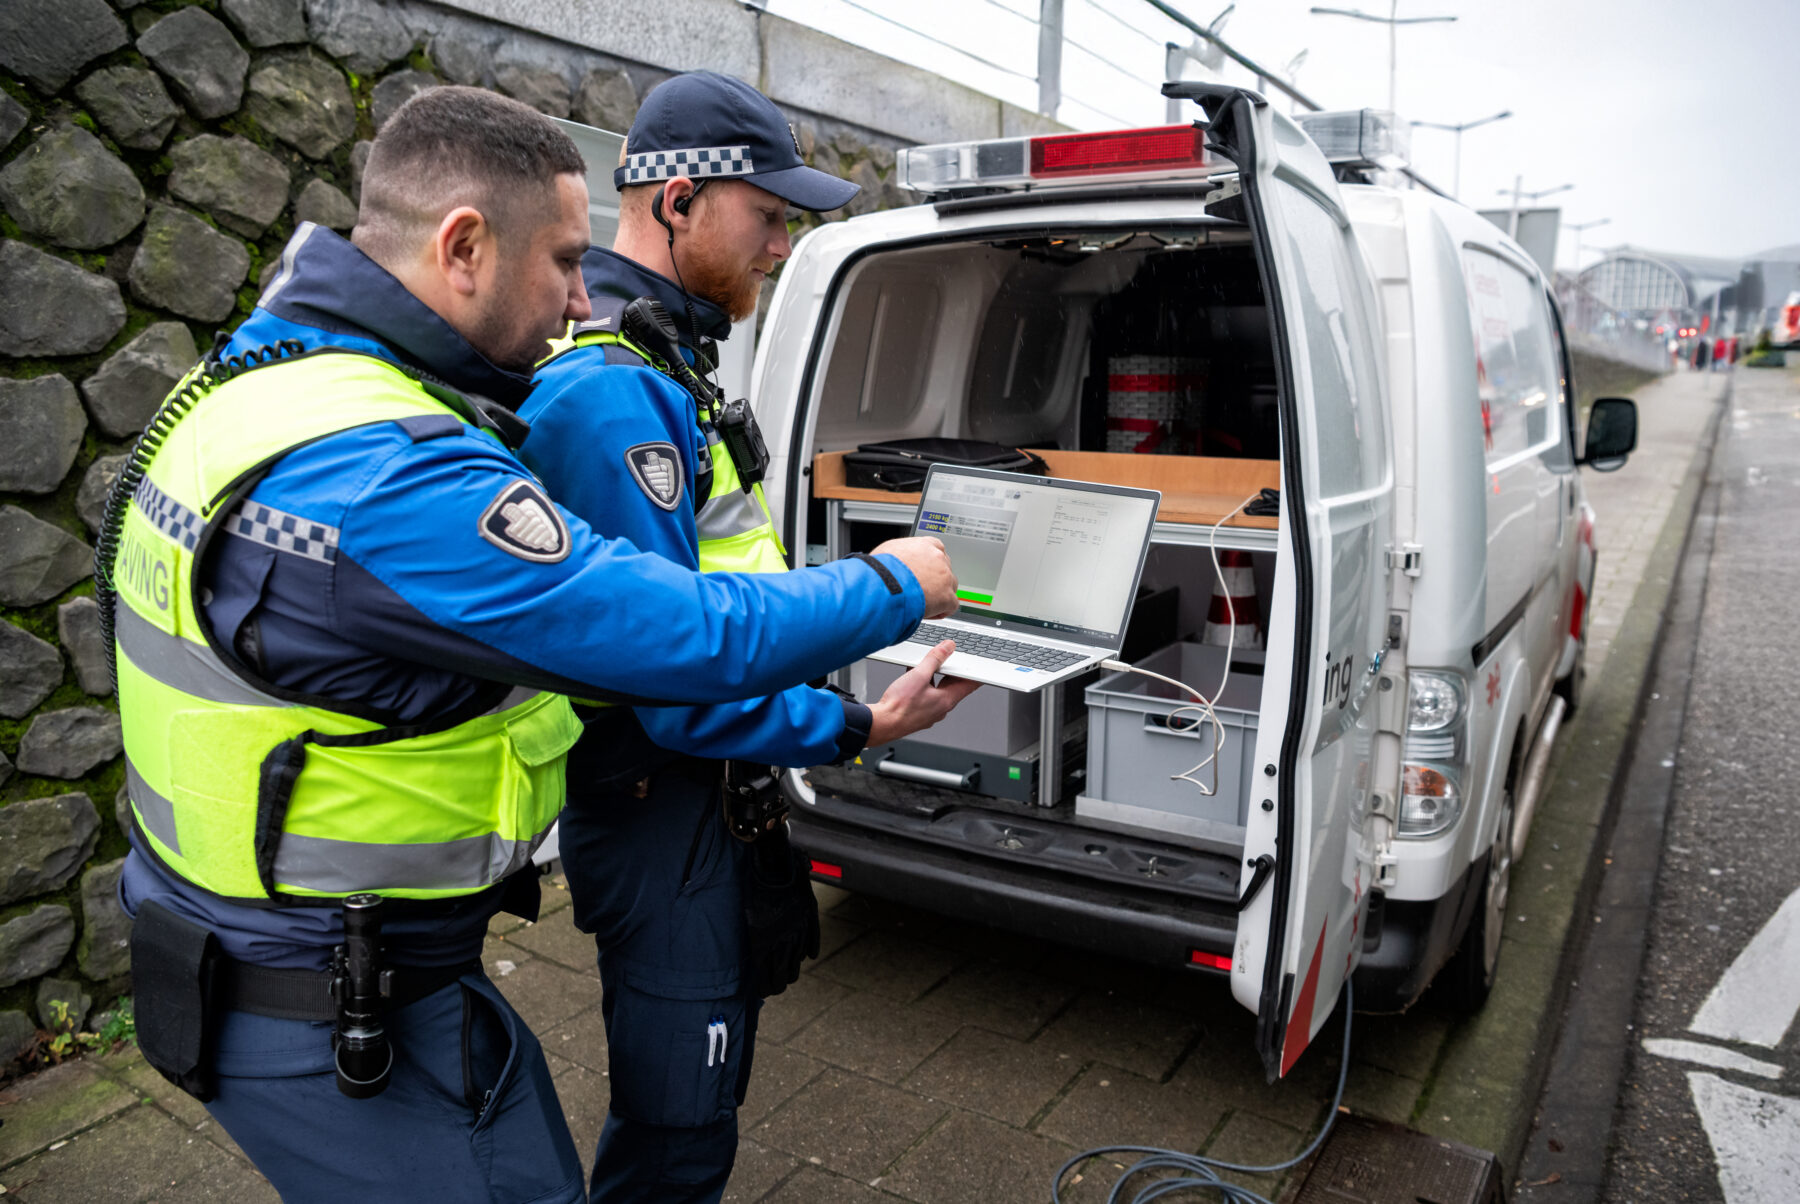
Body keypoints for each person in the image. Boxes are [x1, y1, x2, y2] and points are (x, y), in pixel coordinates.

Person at [106, 86, 961, 1204]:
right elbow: (680, 642)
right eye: (563, 259)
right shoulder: (390, 476)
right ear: (465, 245)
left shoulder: (259, 391)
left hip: (299, 948)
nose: (576, 299)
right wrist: (897, 584)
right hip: (323, 991)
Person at [520, 72, 979, 1202]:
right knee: (677, 1140)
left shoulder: (667, 360)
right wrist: (859, 717)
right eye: (768, 216)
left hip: (704, 801)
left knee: (698, 1118)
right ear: (680, 199)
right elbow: (674, 671)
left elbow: (718, 589)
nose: (781, 245)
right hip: (660, 805)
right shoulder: (611, 392)